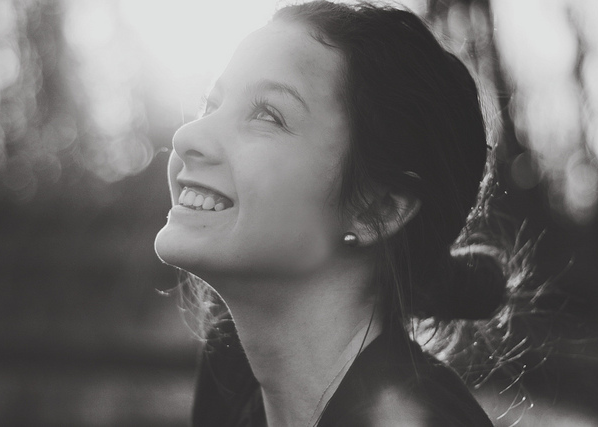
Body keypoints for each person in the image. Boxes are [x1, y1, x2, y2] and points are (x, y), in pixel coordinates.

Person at [155, 1, 508, 425]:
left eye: (266, 114)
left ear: (378, 209)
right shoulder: (230, 373)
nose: (186, 135)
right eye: (211, 105)